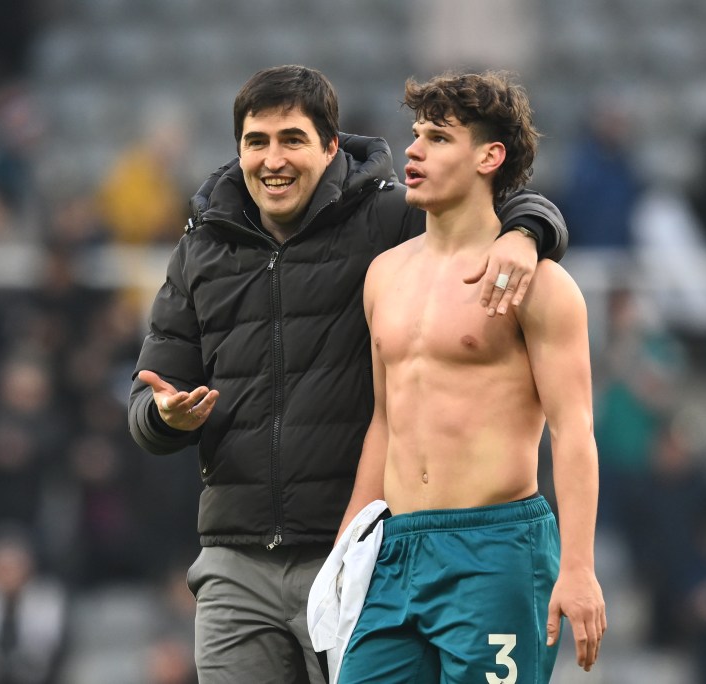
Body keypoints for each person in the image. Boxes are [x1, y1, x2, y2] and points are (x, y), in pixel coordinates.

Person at [127, 64, 570, 684]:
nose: (272, 159)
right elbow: (148, 401)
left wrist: (529, 231)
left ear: (331, 147)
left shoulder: (389, 221)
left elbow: (486, 197)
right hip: (234, 558)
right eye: (256, 142)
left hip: (357, 548)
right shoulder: (201, 248)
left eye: (292, 140)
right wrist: (161, 418)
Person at [331, 71, 605, 683]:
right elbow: (385, 420)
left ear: (490, 156)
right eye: (415, 134)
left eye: (437, 137)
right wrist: (351, 540)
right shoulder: (383, 276)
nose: (413, 149)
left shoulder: (541, 284)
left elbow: (574, 430)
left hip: (497, 549)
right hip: (396, 550)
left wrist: (580, 566)